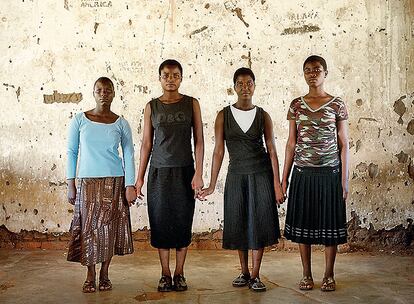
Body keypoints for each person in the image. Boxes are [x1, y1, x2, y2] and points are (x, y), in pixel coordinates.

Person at [199, 67, 284, 292]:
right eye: (240, 83)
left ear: (254, 86)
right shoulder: (223, 115)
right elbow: (218, 152)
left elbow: (272, 151)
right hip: (236, 175)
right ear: (234, 87)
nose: (245, 87)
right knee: (239, 222)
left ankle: (256, 275)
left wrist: (277, 184)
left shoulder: (263, 115)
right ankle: (244, 271)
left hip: (261, 175)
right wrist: (210, 185)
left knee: (258, 223)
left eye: (249, 83)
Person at [135, 59, 204, 292]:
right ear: (160, 78)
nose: (171, 79)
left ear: (181, 78)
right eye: (166, 75)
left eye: (175, 75)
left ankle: (180, 273)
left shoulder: (191, 104)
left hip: (185, 171)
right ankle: (165, 274)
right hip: (159, 172)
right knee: (161, 223)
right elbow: (146, 143)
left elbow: (200, 141)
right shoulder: (151, 106)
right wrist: (140, 177)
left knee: (183, 223)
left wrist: (199, 173)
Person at [282, 55, 349, 292]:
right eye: (308, 70)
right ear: (304, 74)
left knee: (330, 228)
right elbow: (291, 143)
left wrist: (344, 180)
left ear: (325, 73)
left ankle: (329, 275)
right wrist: (284, 180)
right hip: (303, 173)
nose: (313, 73)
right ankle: (307, 275)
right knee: (305, 228)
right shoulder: (296, 104)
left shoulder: (337, 104)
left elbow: (344, 144)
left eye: (317, 69)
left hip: (330, 173)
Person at [66, 77, 136, 293]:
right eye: (99, 90)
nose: (104, 93)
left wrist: (130, 185)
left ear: (114, 94)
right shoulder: (80, 120)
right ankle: (90, 275)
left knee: (109, 230)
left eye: (108, 90)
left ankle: (105, 273)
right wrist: (71, 182)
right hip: (87, 182)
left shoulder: (121, 123)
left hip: (115, 181)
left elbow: (129, 154)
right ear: (93, 92)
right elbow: (72, 151)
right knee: (89, 230)